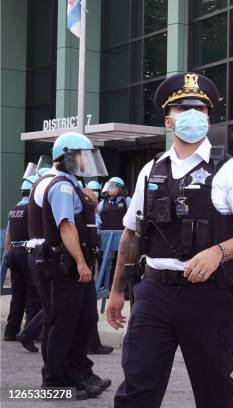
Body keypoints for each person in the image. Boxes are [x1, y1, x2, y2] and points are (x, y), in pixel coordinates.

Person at [106, 72, 233, 407]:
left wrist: (219, 252)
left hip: (206, 297)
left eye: (201, 108)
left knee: (214, 391)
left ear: (208, 118)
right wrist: (116, 291)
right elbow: (132, 233)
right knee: (137, 388)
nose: (193, 114)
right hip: (153, 293)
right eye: (183, 107)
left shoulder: (230, 170)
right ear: (169, 120)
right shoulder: (150, 170)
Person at [40, 132, 111, 399]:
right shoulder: (62, 186)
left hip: (77, 265)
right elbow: (66, 226)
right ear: (68, 157)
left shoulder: (72, 184)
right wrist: (81, 262)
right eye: (81, 156)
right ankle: (55, 381)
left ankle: (76, 373)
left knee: (84, 320)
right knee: (64, 323)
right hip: (66, 265)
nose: (85, 161)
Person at [3, 175, 41, 342]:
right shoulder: (32, 209)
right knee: (33, 294)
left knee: (17, 295)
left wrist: (6, 255)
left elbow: (8, 235)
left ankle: (10, 331)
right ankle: (30, 332)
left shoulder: (14, 209)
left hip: (14, 253)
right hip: (27, 251)